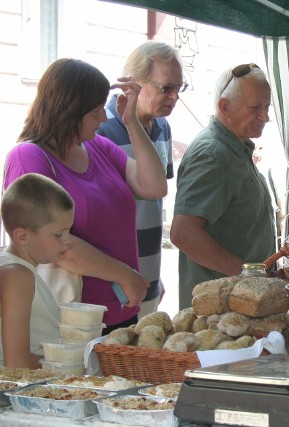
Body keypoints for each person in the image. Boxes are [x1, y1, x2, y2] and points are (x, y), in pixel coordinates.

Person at [3, 58, 168, 334]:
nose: (104, 119)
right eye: (95, 112)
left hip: (120, 306)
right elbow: (46, 239)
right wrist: (125, 275)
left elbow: (153, 186)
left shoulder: (97, 146)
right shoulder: (29, 156)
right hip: (70, 317)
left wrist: (132, 123)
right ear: (68, 111)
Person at [170, 63, 276, 310]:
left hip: (239, 303)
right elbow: (183, 233)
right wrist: (249, 276)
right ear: (224, 106)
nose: (265, 117)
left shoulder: (234, 147)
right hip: (220, 310)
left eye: (266, 107)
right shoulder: (213, 153)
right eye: (255, 108)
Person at [98, 41, 184, 318]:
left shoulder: (162, 127)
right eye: (166, 88)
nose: (174, 97)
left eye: (178, 88)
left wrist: (155, 277)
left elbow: (155, 202)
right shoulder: (99, 127)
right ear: (132, 84)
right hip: (109, 279)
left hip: (148, 272)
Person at [0, 174, 73, 368]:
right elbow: (16, 364)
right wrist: (71, 362)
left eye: (69, 232)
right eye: (59, 234)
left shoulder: (22, 271)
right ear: (22, 236)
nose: (68, 241)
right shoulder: (17, 276)